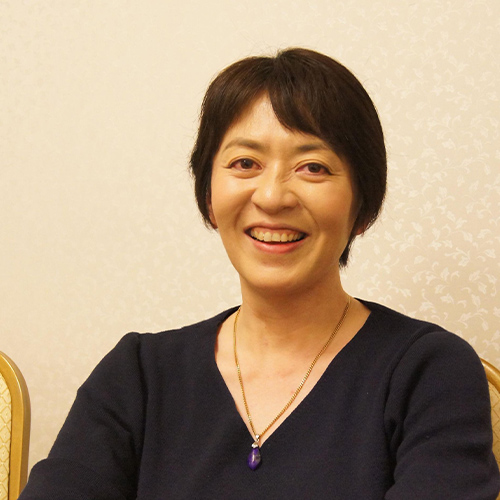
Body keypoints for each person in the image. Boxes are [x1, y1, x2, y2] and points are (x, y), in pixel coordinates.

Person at [20, 48, 499, 499]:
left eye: (313, 167)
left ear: (363, 208)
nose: (272, 197)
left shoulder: (428, 372)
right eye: (245, 163)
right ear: (209, 197)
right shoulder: (138, 375)